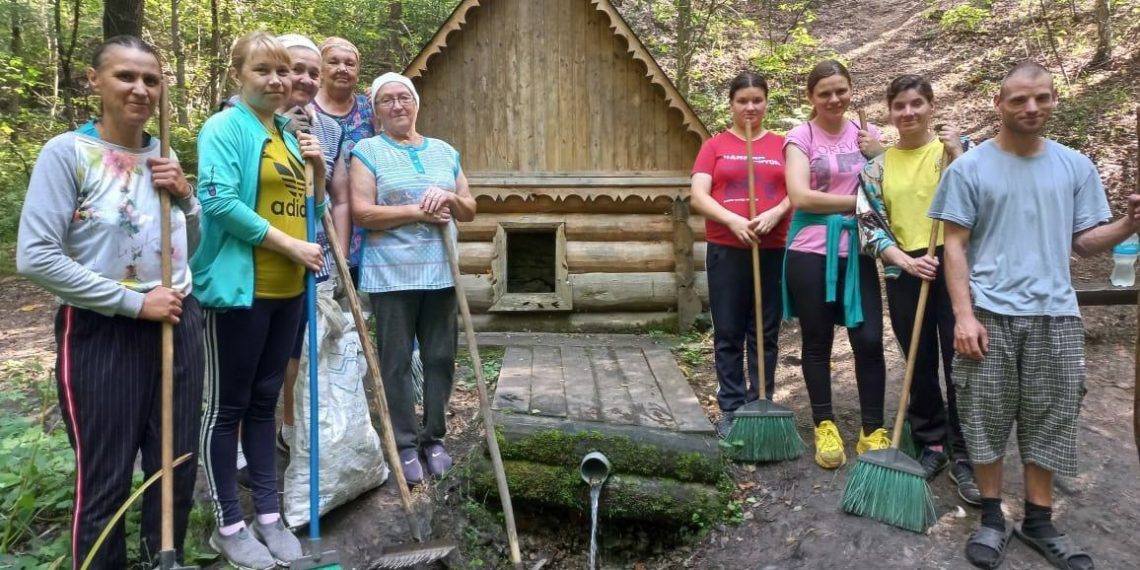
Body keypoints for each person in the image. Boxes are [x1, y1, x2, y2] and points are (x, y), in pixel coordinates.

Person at [930, 61, 1139, 570]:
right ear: (999, 104)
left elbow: (1085, 244)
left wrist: (1130, 222)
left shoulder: (1075, 166)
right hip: (989, 314)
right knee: (984, 415)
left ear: (1052, 101)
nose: (1032, 108)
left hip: (1056, 313)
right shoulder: (969, 169)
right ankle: (992, 518)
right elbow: (953, 248)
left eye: (1042, 98)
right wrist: (963, 316)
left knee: (1052, 417)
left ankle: (1040, 520)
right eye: (1020, 99)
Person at [16, 35, 203, 568]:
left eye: (151, 79)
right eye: (126, 76)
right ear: (94, 82)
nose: (141, 89)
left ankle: (161, 559)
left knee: (175, 465)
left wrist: (188, 199)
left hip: (177, 319)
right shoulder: (69, 154)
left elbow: (193, 251)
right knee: (107, 479)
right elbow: (36, 257)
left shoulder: (163, 156)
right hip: (104, 329)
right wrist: (131, 302)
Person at [194, 31, 328, 569]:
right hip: (239, 291)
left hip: (288, 290)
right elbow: (219, 201)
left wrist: (316, 168)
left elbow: (306, 210)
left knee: (265, 402)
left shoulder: (290, 136)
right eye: (262, 71)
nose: (276, 80)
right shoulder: (225, 127)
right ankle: (230, 523)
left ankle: (268, 517)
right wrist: (290, 244)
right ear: (238, 75)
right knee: (226, 408)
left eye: (282, 71)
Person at [855, 74, 981, 505]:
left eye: (916, 104)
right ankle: (932, 442)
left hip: (955, 263)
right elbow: (868, 223)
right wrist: (904, 259)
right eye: (899, 106)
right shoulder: (876, 167)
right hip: (905, 269)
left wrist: (961, 153)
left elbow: (984, 197)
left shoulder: (954, 152)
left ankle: (966, 451)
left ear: (931, 105)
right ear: (890, 112)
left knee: (960, 361)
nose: (908, 113)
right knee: (918, 360)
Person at [349, 73, 476, 483]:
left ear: (416, 103)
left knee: (440, 357)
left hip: (441, 272)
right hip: (391, 275)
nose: (397, 105)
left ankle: (433, 437)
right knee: (396, 360)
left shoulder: (444, 151)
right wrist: (420, 212)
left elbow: (469, 208)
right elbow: (363, 213)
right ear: (376, 110)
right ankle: (403, 443)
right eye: (387, 100)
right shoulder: (366, 151)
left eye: (404, 97)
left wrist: (451, 199)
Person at [782, 59, 888, 470]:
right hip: (810, 250)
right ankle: (824, 423)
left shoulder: (867, 134)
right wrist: (859, 203)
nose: (834, 99)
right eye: (824, 92)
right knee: (817, 341)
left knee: (869, 341)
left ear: (850, 90)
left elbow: (888, 186)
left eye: (840, 90)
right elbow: (801, 196)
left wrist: (881, 156)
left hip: (860, 250)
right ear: (812, 96)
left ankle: (872, 430)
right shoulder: (800, 137)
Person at [689, 71, 791, 438]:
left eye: (757, 100)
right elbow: (699, 195)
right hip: (727, 249)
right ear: (731, 104)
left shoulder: (782, 145)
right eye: (742, 100)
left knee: (764, 330)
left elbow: (798, 190)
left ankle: (760, 400)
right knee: (729, 329)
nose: (750, 107)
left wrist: (776, 212)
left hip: (772, 248)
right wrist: (733, 220)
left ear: (766, 102)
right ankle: (731, 406)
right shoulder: (714, 146)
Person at [274, 33, 350, 453]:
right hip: (263, 255)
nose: (303, 79)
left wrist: (338, 258)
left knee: (299, 351)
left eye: (311, 73)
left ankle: (292, 428)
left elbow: (330, 198)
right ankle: (247, 444)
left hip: (314, 253)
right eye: (294, 70)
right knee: (260, 358)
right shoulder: (250, 119)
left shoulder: (330, 129)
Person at [314, 36, 373, 277]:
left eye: (350, 63)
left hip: (365, 218)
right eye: (334, 62)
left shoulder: (369, 109)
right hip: (322, 215)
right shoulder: (305, 109)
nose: (342, 69)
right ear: (320, 68)